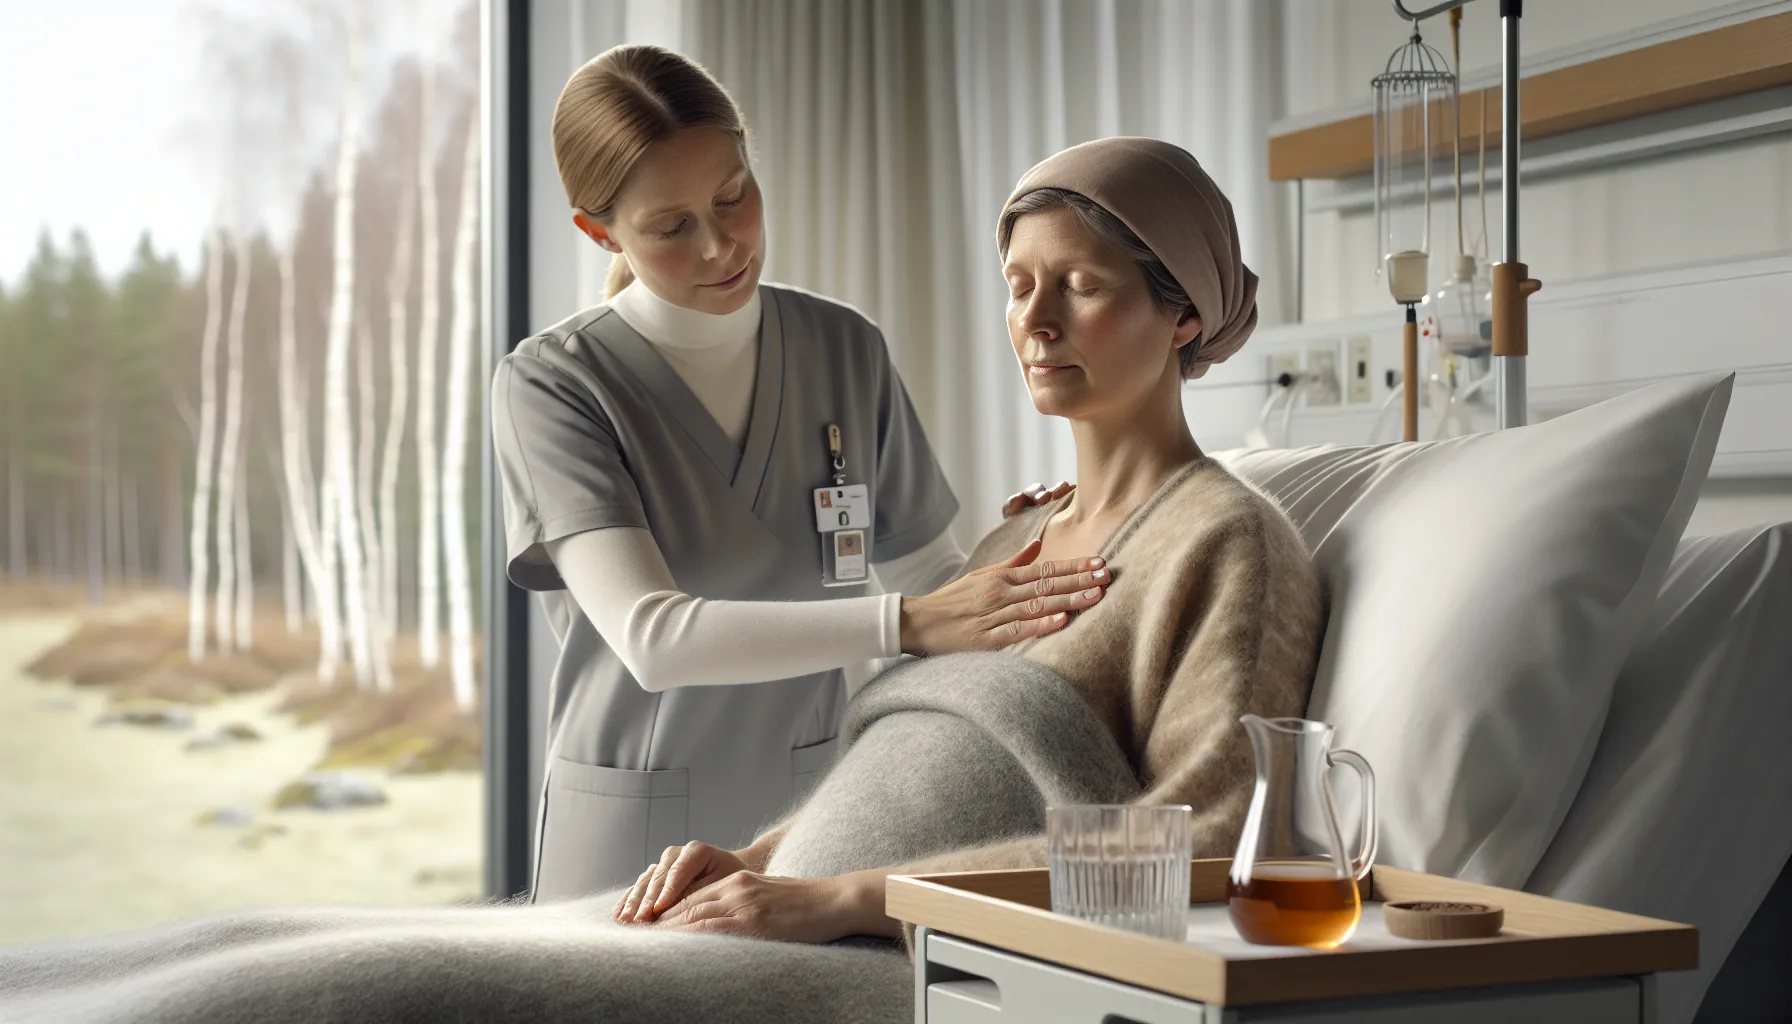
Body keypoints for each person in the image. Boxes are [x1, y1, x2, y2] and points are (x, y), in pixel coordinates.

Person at [613, 136, 1327, 941]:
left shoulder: (1225, 541)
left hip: (930, 958)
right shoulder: (1011, 540)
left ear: (1185, 313)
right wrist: (761, 859)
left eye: (1081, 286)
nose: (1037, 321)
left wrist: (852, 899)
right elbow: (909, 772)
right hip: (802, 916)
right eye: (1019, 287)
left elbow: (1216, 836)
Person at [491, 45, 1104, 901]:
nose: (720, 246)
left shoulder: (843, 348)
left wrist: (1037, 542)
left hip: (810, 820)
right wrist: (911, 621)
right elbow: (652, 639)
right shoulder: (553, 384)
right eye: (671, 228)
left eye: (733, 196)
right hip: (628, 834)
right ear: (599, 232)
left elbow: (936, 583)